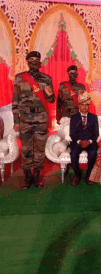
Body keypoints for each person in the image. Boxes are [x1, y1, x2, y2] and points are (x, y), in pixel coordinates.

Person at [12, 51, 55, 189]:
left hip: (41, 118)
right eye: (32, 60)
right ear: (27, 62)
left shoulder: (46, 78)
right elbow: (15, 101)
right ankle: (27, 177)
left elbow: (52, 99)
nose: (34, 62)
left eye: (37, 59)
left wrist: (50, 94)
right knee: (26, 148)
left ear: (40, 63)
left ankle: (36, 176)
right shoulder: (19, 78)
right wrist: (16, 121)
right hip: (25, 119)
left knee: (39, 148)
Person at [70, 91, 99, 186]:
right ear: (79, 105)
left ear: (89, 106)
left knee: (93, 152)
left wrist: (89, 141)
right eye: (82, 105)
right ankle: (77, 175)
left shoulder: (93, 117)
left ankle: (89, 175)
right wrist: (79, 141)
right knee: (73, 153)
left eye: (87, 105)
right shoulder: (74, 118)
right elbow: (72, 133)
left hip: (90, 141)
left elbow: (96, 134)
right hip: (78, 141)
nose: (84, 107)